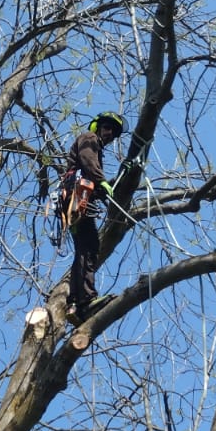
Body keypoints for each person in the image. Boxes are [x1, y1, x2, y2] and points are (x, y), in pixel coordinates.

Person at [63, 111, 124, 323]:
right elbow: (88, 162)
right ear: (98, 127)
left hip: (79, 199)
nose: (109, 134)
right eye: (107, 128)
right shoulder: (89, 139)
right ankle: (86, 300)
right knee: (89, 248)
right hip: (76, 197)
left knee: (84, 248)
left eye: (114, 133)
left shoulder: (96, 149)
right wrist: (102, 181)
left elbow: (94, 178)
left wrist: (110, 184)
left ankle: (73, 304)